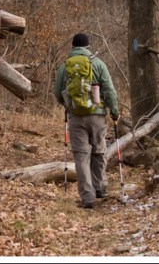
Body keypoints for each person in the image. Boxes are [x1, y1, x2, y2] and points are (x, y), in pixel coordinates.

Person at [53, 33, 119, 208]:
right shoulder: (97, 63)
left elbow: (58, 92)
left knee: (81, 156)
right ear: (88, 47)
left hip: (76, 117)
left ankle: (87, 197)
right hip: (97, 115)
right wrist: (114, 111)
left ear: (73, 47)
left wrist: (68, 106)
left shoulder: (65, 66)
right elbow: (110, 90)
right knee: (99, 151)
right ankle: (100, 188)